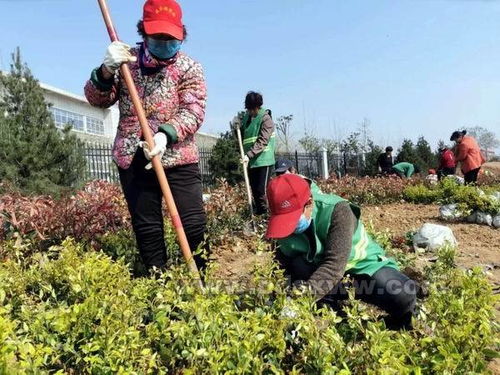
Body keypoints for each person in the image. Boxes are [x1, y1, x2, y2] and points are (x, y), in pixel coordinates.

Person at [84, 0, 208, 272]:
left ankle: (201, 281)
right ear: (144, 32)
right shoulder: (126, 61)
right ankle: (157, 286)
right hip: (134, 156)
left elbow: (194, 109)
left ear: (181, 34)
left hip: (177, 156)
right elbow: (98, 100)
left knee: (194, 224)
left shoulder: (190, 68)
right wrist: (106, 71)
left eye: (170, 38)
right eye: (157, 36)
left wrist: (165, 135)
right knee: (148, 228)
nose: (164, 42)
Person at [266, 174, 416, 330]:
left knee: (402, 293)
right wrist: (278, 299)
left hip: (362, 271)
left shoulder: (337, 210)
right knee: (298, 266)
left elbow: (334, 265)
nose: (289, 226)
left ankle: (398, 324)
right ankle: (329, 309)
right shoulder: (279, 226)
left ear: (309, 204)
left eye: (293, 218)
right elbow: (279, 267)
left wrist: (300, 302)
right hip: (322, 277)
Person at [235, 92, 276, 215]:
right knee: (254, 191)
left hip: (264, 161)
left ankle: (266, 216)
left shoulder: (266, 118)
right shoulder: (247, 118)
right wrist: (236, 126)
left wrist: (249, 155)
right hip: (252, 162)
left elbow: (263, 141)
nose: (252, 111)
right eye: (249, 109)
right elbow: (241, 136)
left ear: (258, 106)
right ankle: (258, 215)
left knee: (261, 191)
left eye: (254, 109)